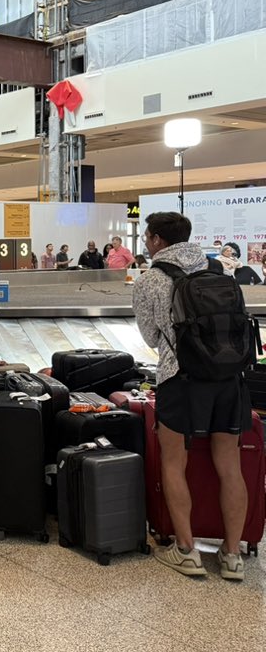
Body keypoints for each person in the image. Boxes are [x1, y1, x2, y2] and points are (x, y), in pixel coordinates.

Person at [133, 212, 250, 581]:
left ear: (155, 241)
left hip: (179, 379)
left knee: (173, 462)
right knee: (230, 465)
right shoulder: (218, 271)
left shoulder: (151, 279)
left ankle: (186, 551)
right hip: (228, 378)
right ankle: (232, 556)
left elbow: (152, 338)